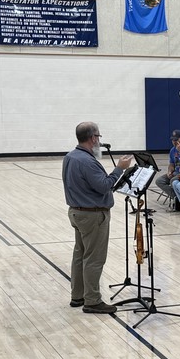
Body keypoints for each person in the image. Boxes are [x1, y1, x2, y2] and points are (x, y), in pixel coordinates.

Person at [62, 122, 134, 314]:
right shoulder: (87, 161)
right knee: (94, 258)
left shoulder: (70, 157)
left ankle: (77, 296)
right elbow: (104, 186)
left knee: (80, 254)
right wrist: (120, 168)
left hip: (77, 212)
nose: (99, 141)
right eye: (98, 137)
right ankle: (92, 300)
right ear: (93, 138)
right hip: (92, 216)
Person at [155, 129, 180, 202]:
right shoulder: (172, 150)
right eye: (173, 140)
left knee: (173, 181)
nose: (174, 142)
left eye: (176, 140)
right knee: (159, 181)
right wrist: (169, 172)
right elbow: (171, 164)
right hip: (176, 172)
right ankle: (176, 197)